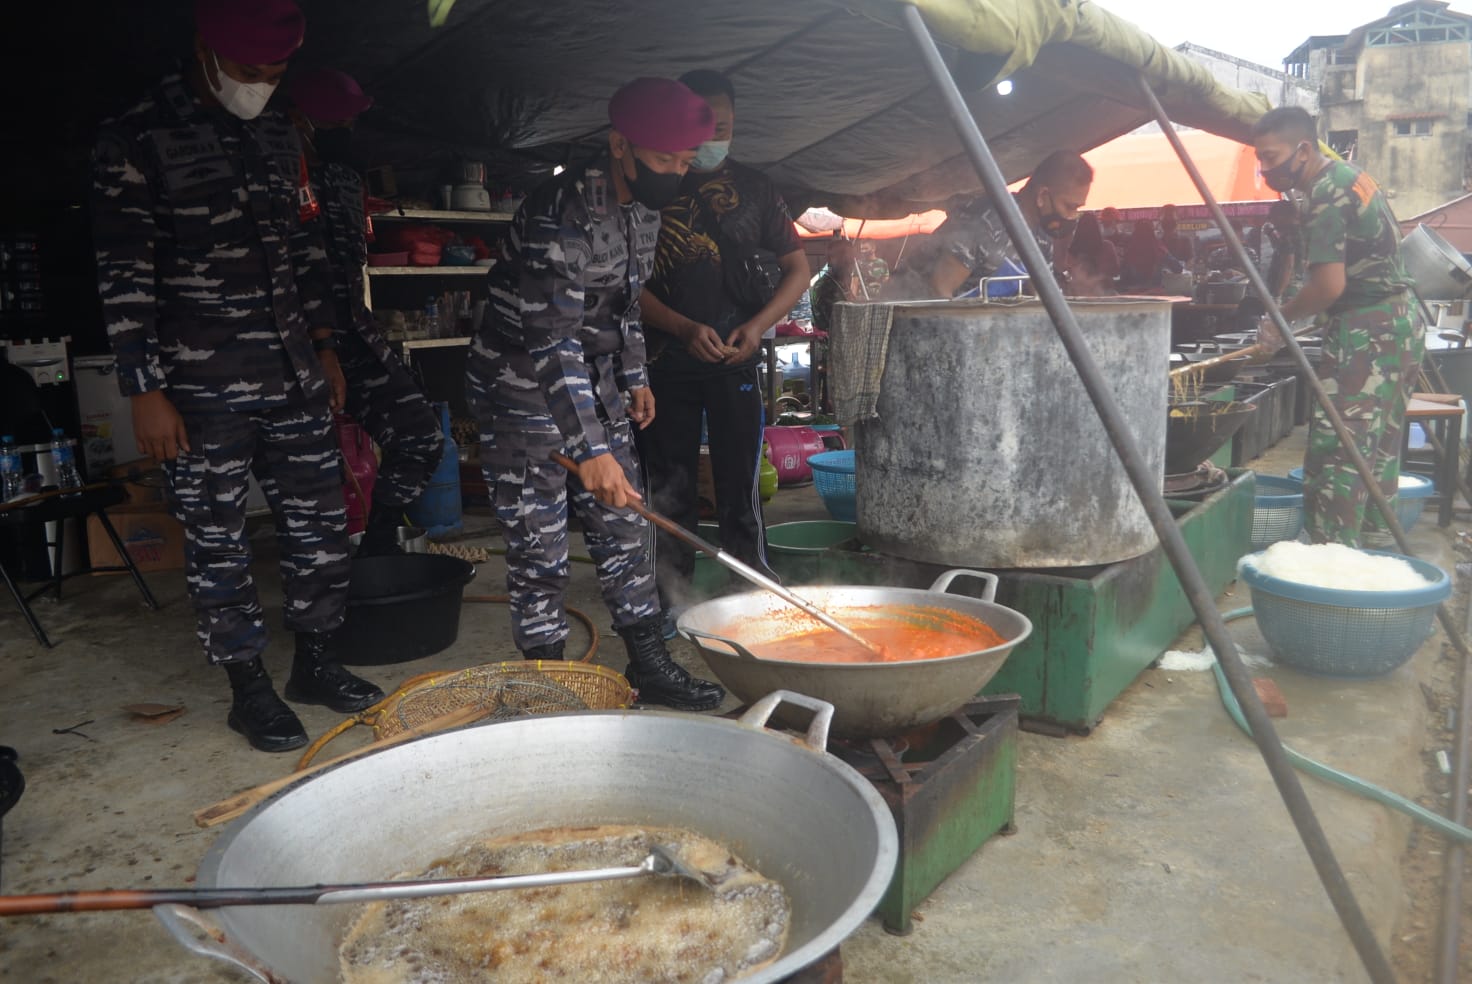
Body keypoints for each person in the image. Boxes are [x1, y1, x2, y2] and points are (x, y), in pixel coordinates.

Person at [90, 0, 384, 753]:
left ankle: (314, 663)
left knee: (320, 526)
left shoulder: (284, 132)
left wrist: (323, 345)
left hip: (291, 371)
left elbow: (307, 246)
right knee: (218, 537)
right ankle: (247, 687)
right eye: (250, 70)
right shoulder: (138, 133)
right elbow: (124, 269)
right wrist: (143, 388)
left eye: (276, 70)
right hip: (198, 383)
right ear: (205, 49)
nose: (262, 83)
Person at [464, 76, 725, 710]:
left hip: (594, 387)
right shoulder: (562, 212)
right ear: (619, 145)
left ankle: (650, 664)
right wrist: (591, 449)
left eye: (685, 162)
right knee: (540, 547)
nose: (675, 172)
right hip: (520, 391)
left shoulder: (645, 208)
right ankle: (549, 683)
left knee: (626, 526)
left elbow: (624, 302)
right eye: (665, 159)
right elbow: (551, 338)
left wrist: (634, 376)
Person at [638, 69, 811, 632]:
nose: (713, 138)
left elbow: (798, 269)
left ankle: (753, 581)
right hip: (666, 365)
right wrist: (684, 328)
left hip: (738, 359)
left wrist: (759, 327)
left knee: (742, 481)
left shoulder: (760, 190)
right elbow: (623, 283)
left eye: (724, 126)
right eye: (704, 126)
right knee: (670, 483)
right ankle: (671, 595)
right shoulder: (652, 184)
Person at [288, 68, 443, 556]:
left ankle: (379, 548)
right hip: (294, 349)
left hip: (356, 336)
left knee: (421, 436)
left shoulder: (345, 177)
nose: (344, 132)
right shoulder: (275, 176)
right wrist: (321, 347)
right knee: (308, 480)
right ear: (302, 120)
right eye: (334, 123)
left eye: (348, 122)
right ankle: (321, 582)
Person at [1252, 106, 1423, 547]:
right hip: (1400, 323)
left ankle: (1333, 564)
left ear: (1303, 150)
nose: (1265, 169)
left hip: (1366, 331)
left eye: (1270, 157)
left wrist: (1280, 318)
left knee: (1338, 456)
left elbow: (1328, 286)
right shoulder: (1352, 174)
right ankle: (1375, 553)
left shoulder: (1326, 193)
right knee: (1377, 449)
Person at [926, 150, 1094, 298]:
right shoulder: (984, 222)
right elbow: (938, 294)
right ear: (1042, 195)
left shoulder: (1042, 237)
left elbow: (1042, 298)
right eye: (1069, 207)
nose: (1072, 216)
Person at [809, 235, 857, 334]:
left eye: (851, 260)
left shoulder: (841, 283)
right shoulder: (825, 287)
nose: (850, 264)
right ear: (830, 260)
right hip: (829, 346)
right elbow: (841, 322)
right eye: (845, 260)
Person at [1063, 212, 1119, 296]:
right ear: (1097, 227)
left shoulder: (1073, 250)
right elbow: (1115, 271)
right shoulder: (1107, 246)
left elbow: (1067, 271)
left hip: (1079, 294)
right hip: (1104, 292)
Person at [1263, 200, 1305, 302]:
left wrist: (1277, 294)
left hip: (1287, 291)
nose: (1272, 222)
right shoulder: (1302, 233)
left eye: (1274, 217)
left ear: (1282, 216)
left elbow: (1288, 265)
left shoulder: (1287, 236)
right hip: (1301, 288)